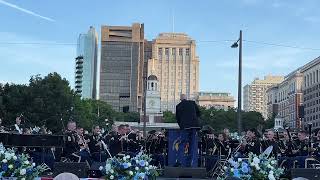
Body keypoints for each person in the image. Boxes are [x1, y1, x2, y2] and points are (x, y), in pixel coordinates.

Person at [175, 94, 201, 167]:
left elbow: (178, 118)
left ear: (180, 99)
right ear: (186, 98)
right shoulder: (192, 103)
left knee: (182, 144)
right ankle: (189, 163)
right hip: (194, 126)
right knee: (192, 145)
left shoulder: (178, 106)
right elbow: (199, 112)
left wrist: (181, 126)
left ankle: (179, 161)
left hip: (185, 127)